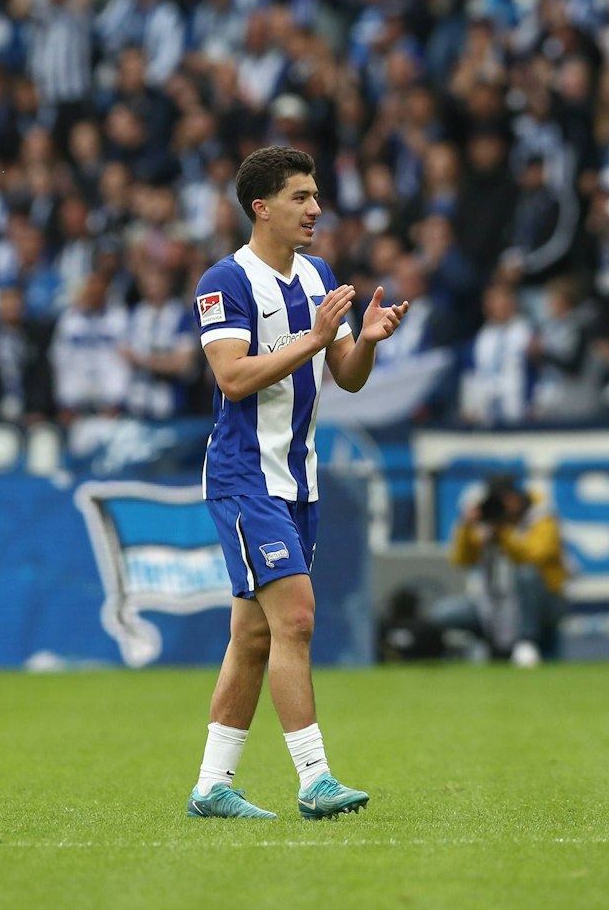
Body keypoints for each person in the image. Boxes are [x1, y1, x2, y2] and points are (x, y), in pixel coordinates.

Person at [186, 146, 409, 821]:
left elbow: (346, 374)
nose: (315, 208)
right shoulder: (224, 280)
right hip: (244, 475)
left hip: (298, 479)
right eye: (301, 197)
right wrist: (315, 342)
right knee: (299, 618)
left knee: (254, 636)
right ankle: (315, 778)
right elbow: (232, 376)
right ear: (263, 208)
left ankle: (211, 785)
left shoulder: (318, 277)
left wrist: (364, 339)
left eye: (315, 195)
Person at [438, 473, 569, 665]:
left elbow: (535, 557)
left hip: (542, 602)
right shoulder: (486, 524)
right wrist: (467, 526)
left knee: (526, 574)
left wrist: (504, 534)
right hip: (494, 603)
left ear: (516, 497)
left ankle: (526, 642)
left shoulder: (540, 516)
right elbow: (461, 559)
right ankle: (486, 647)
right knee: (442, 613)